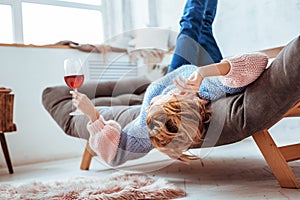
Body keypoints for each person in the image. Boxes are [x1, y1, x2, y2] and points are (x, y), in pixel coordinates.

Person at [74, 52, 268, 166]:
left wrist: (93, 115)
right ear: (183, 100)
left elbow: (113, 157)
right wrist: (203, 72)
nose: (149, 104)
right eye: (161, 100)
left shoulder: (148, 128)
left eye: (151, 105)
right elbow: (259, 60)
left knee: (193, 22)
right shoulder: (209, 88)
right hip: (200, 64)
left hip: (178, 70)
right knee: (193, 22)